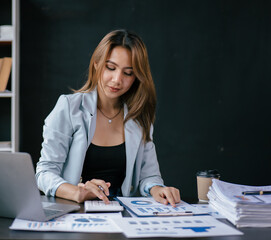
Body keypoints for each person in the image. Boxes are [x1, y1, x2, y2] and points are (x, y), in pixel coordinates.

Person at [36, 29, 181, 207]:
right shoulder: (69, 107)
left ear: (137, 77)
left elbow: (149, 176)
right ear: (96, 64)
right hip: (75, 212)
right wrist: (78, 192)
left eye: (128, 73)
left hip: (122, 214)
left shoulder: (139, 115)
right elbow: (44, 173)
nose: (117, 80)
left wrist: (157, 188)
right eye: (110, 68)